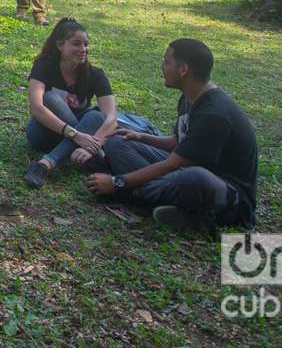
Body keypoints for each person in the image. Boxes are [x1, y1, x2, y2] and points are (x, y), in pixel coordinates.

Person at [86, 39, 258, 230]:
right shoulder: (189, 97)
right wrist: (141, 137)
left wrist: (118, 182)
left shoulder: (214, 114)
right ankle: (162, 201)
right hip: (180, 169)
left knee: (193, 178)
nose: (162, 67)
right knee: (118, 142)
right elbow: (178, 142)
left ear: (183, 69)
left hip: (225, 194)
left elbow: (173, 164)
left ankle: (128, 192)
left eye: (166, 62)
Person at [23, 19, 117, 188]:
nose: (83, 50)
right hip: (45, 132)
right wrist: (76, 135)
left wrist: (93, 144)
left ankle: (44, 165)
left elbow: (112, 118)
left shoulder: (95, 74)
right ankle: (93, 157)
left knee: (97, 115)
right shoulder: (44, 66)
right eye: (76, 44)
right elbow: (36, 108)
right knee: (49, 98)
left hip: (81, 136)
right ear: (60, 45)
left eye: (86, 44)